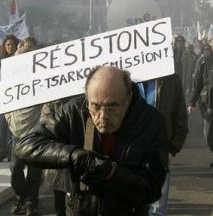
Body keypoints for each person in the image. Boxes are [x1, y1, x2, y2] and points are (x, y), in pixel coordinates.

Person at [16, 66, 169, 215]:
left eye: (112, 106)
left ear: (128, 98)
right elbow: (26, 145)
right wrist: (75, 156)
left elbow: (153, 189)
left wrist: (113, 173)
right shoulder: (74, 111)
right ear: (87, 98)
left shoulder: (152, 123)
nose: (103, 116)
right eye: (95, 106)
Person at [137, 74, 188, 216]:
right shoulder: (124, 77)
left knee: (157, 208)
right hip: (130, 151)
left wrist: (172, 149)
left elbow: (181, 118)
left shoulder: (171, 80)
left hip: (159, 153)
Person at [5, 43, 42, 216]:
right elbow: (6, 104)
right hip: (16, 132)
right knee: (15, 168)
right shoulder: (11, 80)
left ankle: (31, 203)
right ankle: (20, 197)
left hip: (35, 133)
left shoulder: (41, 80)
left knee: (34, 170)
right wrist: (10, 121)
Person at [0, 34, 19, 162]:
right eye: (8, 44)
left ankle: (13, 153)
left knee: (15, 128)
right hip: (2, 100)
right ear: (4, 46)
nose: (10, 47)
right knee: (1, 126)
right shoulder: (0, 63)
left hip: (17, 99)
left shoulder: (21, 60)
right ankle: (1, 152)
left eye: (12, 44)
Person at [188, 45, 213, 173]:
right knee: (208, 133)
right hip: (208, 104)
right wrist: (192, 101)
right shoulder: (202, 62)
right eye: (205, 50)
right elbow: (197, 83)